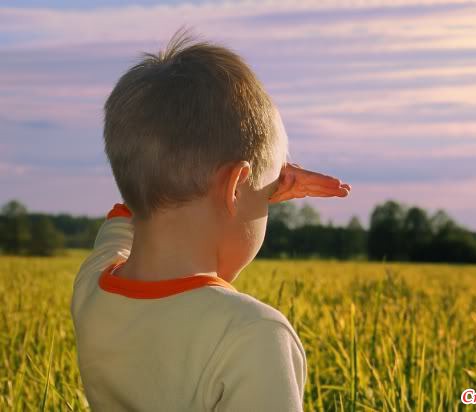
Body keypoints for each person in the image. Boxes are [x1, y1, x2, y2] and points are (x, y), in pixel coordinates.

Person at [70, 28, 351, 412]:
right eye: (266, 197)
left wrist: (257, 183)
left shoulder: (92, 287)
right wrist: (260, 183)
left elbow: (127, 216)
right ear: (234, 187)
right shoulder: (252, 333)